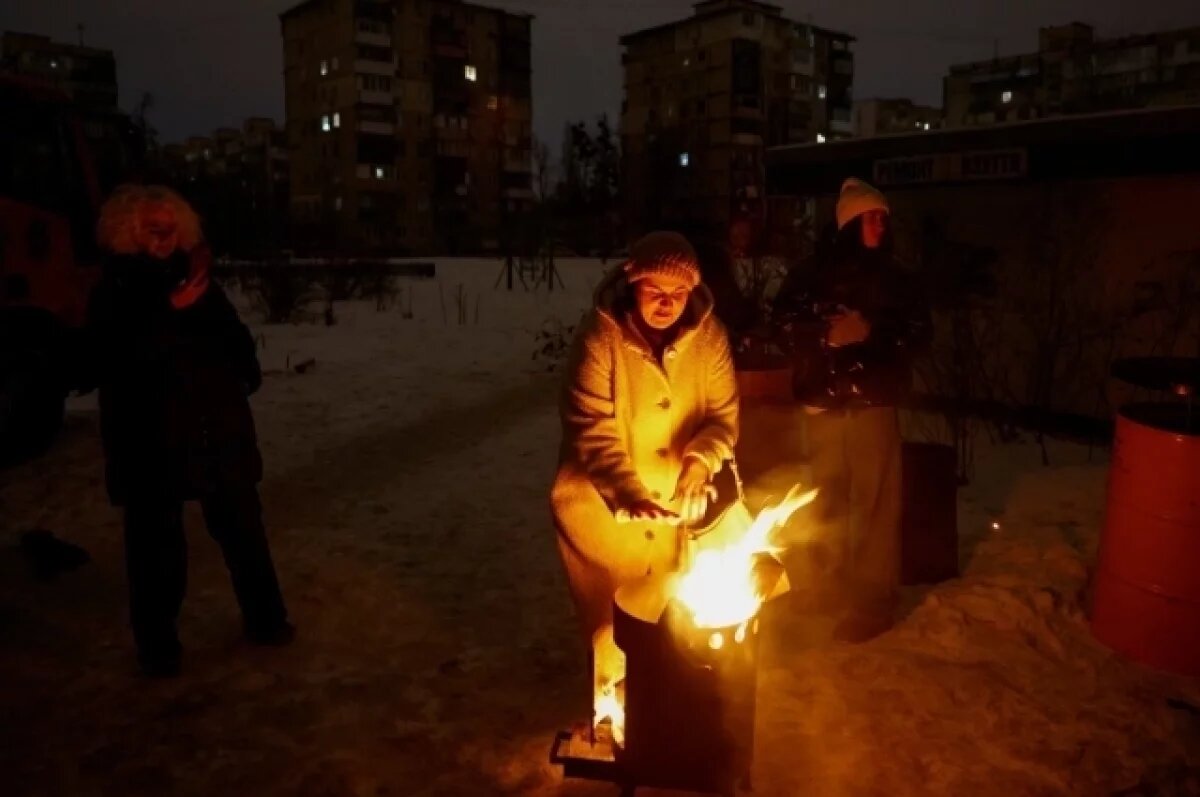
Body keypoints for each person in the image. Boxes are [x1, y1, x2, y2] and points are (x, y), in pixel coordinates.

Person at [88, 185, 292, 677]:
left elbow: (233, 334)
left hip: (216, 428)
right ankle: (158, 650)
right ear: (128, 232)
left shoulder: (198, 276)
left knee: (244, 530)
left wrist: (245, 372)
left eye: (170, 228)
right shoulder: (115, 286)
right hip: (152, 438)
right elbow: (109, 359)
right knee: (157, 549)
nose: (163, 238)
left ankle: (267, 621)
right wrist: (169, 311)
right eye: (151, 229)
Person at [550, 231, 739, 720]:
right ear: (633, 283)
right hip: (602, 508)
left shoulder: (710, 337)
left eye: (678, 294)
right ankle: (612, 719)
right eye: (657, 291)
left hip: (677, 506)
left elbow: (722, 417)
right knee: (613, 622)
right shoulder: (600, 337)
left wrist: (700, 461)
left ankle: (664, 713)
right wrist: (627, 492)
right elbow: (591, 429)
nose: (667, 304)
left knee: (672, 615)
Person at [774, 178, 931, 643]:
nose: (881, 224)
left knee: (877, 503)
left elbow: (919, 332)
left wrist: (872, 332)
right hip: (822, 403)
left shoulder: (897, 280)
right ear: (847, 224)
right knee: (825, 499)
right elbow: (781, 323)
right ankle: (821, 588)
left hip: (873, 402)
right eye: (870, 216)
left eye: (884, 216)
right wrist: (821, 336)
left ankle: (872, 600)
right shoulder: (811, 275)